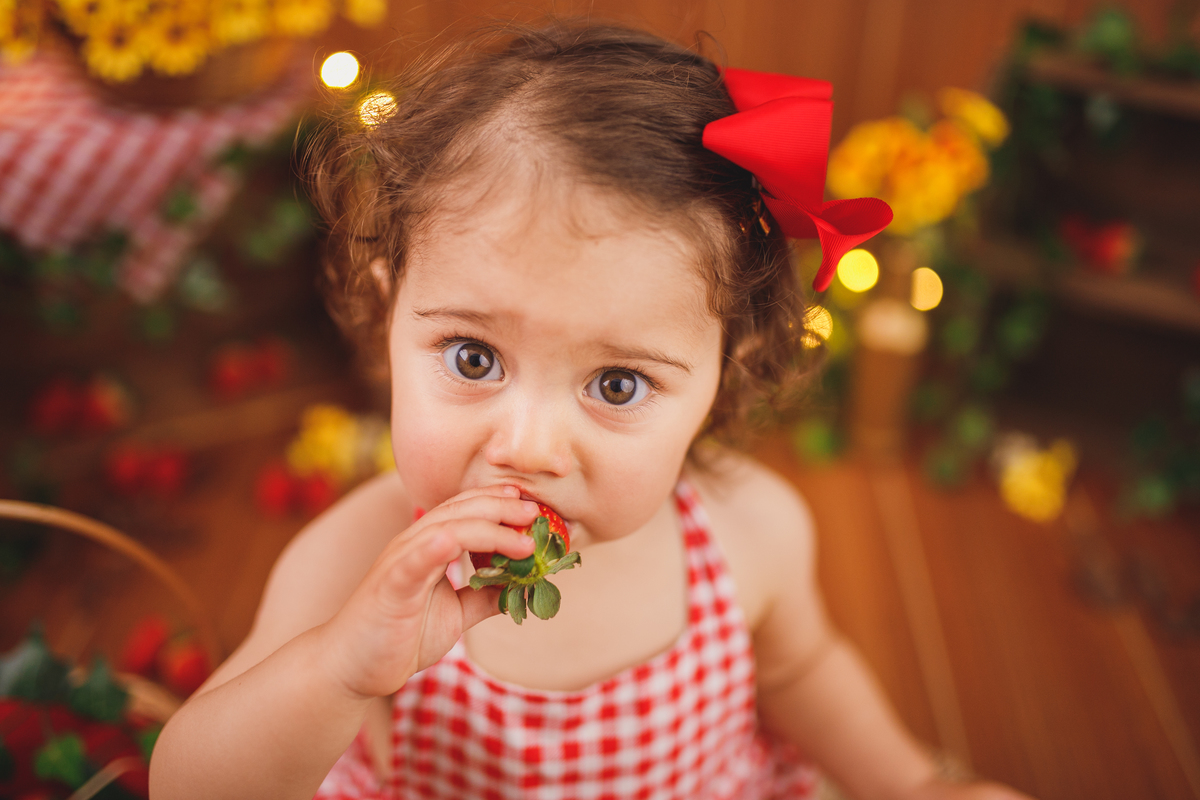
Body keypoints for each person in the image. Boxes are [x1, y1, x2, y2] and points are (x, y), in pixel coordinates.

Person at [150, 20, 1034, 800]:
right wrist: (338, 672)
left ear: (724, 379)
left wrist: (908, 782)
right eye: (474, 358)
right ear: (387, 320)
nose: (529, 447)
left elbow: (803, 667)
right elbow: (189, 786)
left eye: (617, 385)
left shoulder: (749, 534)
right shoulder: (352, 568)